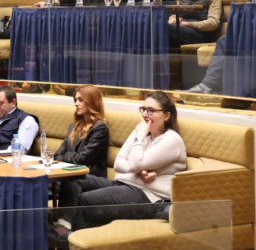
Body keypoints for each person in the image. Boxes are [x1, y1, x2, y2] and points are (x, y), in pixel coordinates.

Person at [52, 91, 186, 239]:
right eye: (143, 109)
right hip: (123, 183)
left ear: (166, 115)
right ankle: (63, 227)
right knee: (72, 178)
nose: (145, 114)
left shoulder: (170, 140)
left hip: (147, 196)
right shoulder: (141, 132)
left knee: (82, 201)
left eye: (151, 110)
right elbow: (119, 162)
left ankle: (72, 241)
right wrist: (139, 170)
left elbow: (134, 164)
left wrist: (140, 139)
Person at [53, 84, 109, 177]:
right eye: (76, 100)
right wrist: (72, 157)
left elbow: (82, 160)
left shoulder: (100, 128)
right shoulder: (73, 126)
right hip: (68, 174)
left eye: (80, 100)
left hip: (89, 177)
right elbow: (57, 155)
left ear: (91, 102)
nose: (76, 104)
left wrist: (66, 155)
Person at [0, 86, 39, 152]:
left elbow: (19, 150)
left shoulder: (26, 120)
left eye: (0, 103)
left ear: (13, 102)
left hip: (3, 157)